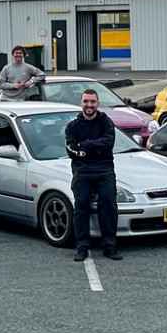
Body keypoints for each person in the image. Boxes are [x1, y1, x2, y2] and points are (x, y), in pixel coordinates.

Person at [65, 88, 122, 262]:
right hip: (82, 171)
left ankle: (109, 245)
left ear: (97, 103)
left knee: (108, 201)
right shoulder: (72, 127)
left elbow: (108, 143)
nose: (89, 105)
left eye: (92, 102)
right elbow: (71, 151)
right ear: (81, 103)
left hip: (104, 170)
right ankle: (82, 246)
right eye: (86, 101)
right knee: (81, 203)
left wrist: (85, 145)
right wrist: (95, 148)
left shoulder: (106, 123)